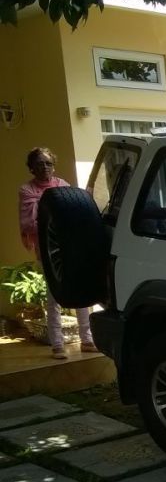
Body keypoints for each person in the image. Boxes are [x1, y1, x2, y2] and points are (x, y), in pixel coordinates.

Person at [17, 147, 96, 359]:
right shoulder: (27, 190)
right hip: (48, 250)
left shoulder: (63, 185)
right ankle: (57, 344)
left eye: (48, 163)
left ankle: (87, 339)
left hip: (70, 247)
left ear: (54, 165)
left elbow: (74, 213)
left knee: (80, 291)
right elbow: (29, 223)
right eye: (39, 163)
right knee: (54, 296)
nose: (44, 167)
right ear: (31, 168)